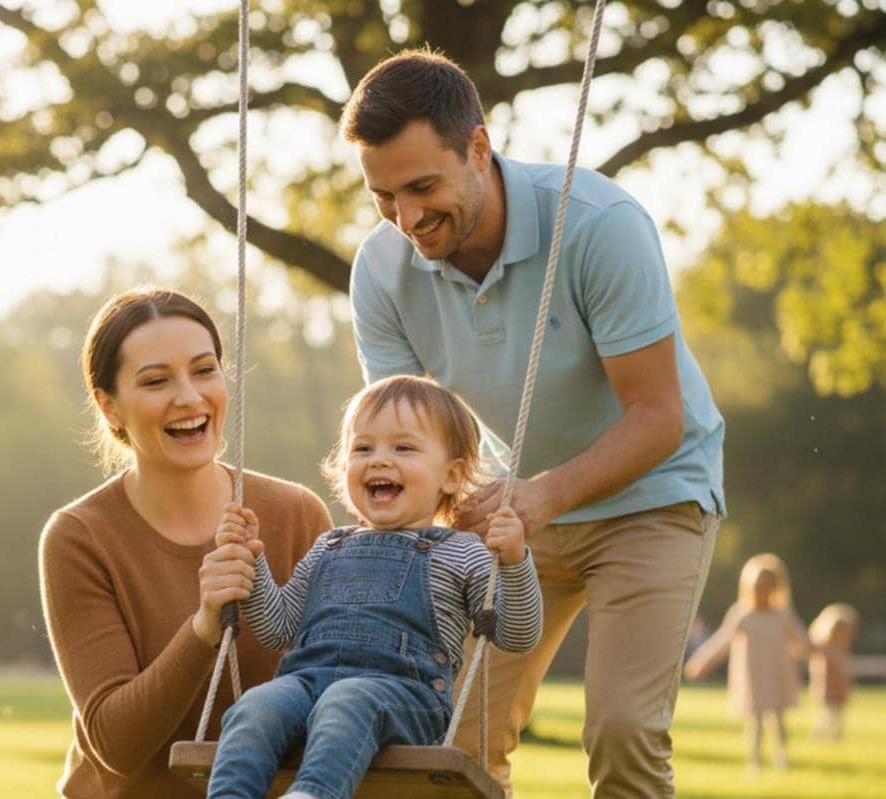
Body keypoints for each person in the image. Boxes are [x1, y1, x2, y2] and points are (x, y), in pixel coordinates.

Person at [341, 48, 726, 796]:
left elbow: (658, 417)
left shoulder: (598, 223)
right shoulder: (381, 270)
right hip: (516, 508)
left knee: (621, 729)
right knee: (451, 733)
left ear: (478, 148)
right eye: (384, 196)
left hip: (654, 493)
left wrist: (543, 496)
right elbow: (412, 440)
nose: (407, 218)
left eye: (423, 186)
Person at [39, 288, 333, 798]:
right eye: (155, 381)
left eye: (204, 370)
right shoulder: (79, 538)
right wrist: (202, 628)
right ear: (109, 407)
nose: (190, 397)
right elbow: (116, 743)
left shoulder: (297, 514)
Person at [206, 375, 543, 799]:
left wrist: (514, 563)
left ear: (452, 476)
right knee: (255, 706)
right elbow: (278, 627)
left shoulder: (463, 552)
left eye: (403, 448)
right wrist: (251, 561)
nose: (379, 460)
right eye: (363, 448)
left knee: (348, 699)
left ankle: (312, 794)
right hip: (306, 685)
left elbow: (518, 635)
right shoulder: (329, 546)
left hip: (405, 698)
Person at [684, 554, 809, 772]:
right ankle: (755, 762)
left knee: (778, 719)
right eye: (760, 586)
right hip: (754, 676)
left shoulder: (783, 614)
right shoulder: (742, 613)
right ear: (750, 587)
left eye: (769, 587)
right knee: (755, 722)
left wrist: (817, 649)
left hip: (778, 674)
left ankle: (782, 759)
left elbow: (801, 640)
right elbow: (722, 641)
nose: (764, 591)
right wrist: (701, 662)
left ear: (777, 588)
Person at [808, 602, 859, 741]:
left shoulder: (843, 651)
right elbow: (821, 674)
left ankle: (837, 737)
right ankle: (819, 736)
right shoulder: (824, 650)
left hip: (840, 690)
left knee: (839, 715)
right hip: (828, 690)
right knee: (828, 714)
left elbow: (845, 672)